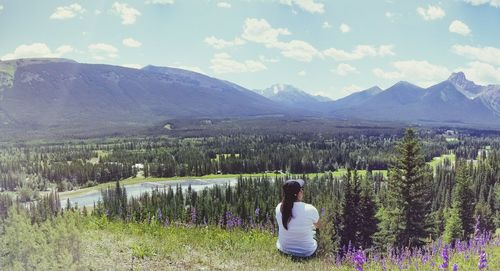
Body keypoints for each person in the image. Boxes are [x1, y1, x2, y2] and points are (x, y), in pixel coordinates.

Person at [275, 179, 320, 259]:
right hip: (307, 252)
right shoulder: (310, 209)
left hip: (284, 250)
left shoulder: (279, 207)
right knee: (316, 232)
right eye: (301, 189)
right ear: (298, 194)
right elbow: (318, 226)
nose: (302, 191)